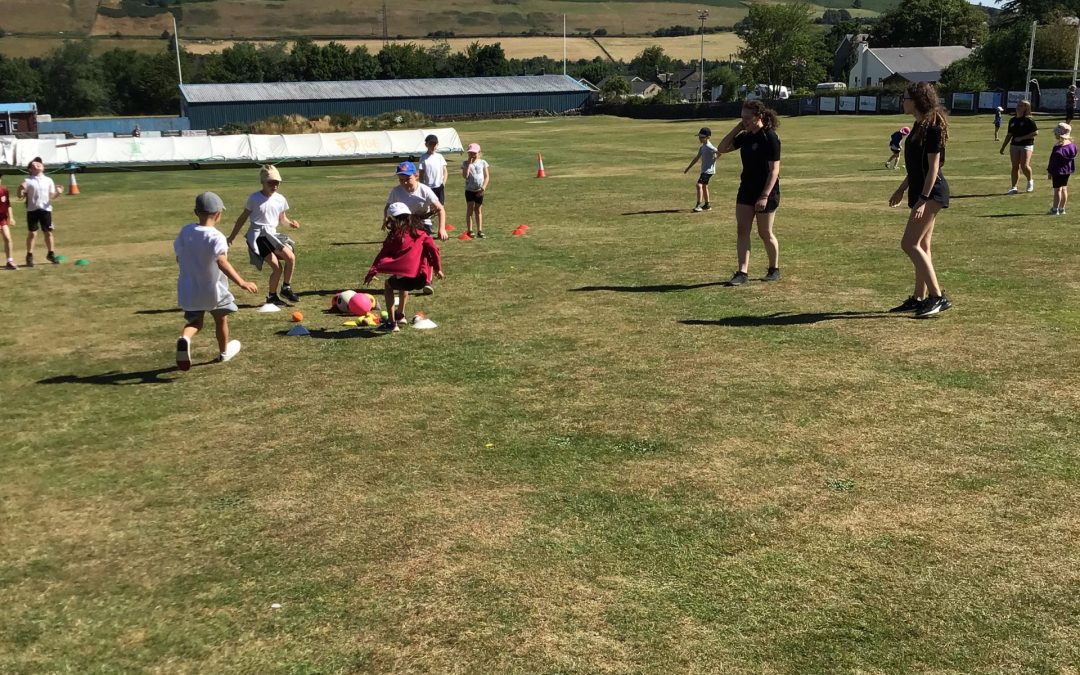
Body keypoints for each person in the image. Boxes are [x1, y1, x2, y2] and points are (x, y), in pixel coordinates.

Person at [887, 81, 952, 318]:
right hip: (921, 191)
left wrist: (923, 199)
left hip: (932, 193)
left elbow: (933, 167)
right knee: (922, 246)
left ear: (916, 101)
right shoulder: (919, 125)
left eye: (905, 98)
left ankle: (937, 297)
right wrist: (901, 189)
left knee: (909, 244)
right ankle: (918, 297)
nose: (902, 102)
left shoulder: (932, 126)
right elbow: (916, 167)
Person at [174, 192, 258, 370]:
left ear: (196, 212)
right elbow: (221, 261)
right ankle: (223, 353)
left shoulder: (186, 231)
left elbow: (179, 257)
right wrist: (242, 282)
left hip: (189, 289)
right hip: (213, 290)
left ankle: (185, 338)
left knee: (195, 323)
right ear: (218, 214)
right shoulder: (217, 236)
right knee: (221, 320)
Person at [716, 99, 782, 285]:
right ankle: (742, 272)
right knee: (742, 230)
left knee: (765, 232)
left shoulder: (769, 137)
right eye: (741, 117)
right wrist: (738, 128)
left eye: (747, 117)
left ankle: (774, 269)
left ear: (758, 116)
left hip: (766, 191)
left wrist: (764, 196)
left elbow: (774, 170)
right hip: (746, 189)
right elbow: (721, 148)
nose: (743, 120)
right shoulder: (745, 136)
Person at [227, 165, 301, 306]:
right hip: (258, 237)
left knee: (290, 257)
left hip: (272, 235)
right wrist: (232, 237)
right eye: (270, 183)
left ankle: (285, 288)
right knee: (277, 268)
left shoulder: (280, 199)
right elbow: (243, 218)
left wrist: (291, 224)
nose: (274, 186)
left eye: (277, 183)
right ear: (263, 182)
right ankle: (272, 296)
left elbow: (282, 219)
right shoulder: (254, 198)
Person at [363, 202, 443, 332]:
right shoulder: (421, 233)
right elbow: (434, 248)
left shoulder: (394, 237)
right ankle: (400, 315)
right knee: (402, 277)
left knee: (389, 284)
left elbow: (382, 254)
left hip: (406, 278)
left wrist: (372, 271)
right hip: (422, 279)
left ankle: (391, 323)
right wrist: (438, 268)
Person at [385, 161, 448, 241]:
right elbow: (387, 207)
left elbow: (440, 209)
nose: (405, 182)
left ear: (416, 176)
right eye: (401, 179)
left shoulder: (425, 190)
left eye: (408, 179)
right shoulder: (396, 191)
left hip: (423, 223)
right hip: (404, 224)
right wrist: (386, 221)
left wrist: (442, 229)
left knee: (421, 244)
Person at [17, 157, 62, 267]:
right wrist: (20, 189)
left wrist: (58, 193)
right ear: (30, 169)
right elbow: (20, 196)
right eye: (35, 164)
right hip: (32, 210)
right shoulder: (28, 181)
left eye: (39, 163)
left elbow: (51, 197)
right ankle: (29, 256)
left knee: (48, 232)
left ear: (43, 167)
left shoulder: (49, 180)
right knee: (32, 233)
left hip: (46, 210)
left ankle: (51, 254)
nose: (38, 164)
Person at [1001, 100, 1038, 194]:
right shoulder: (1012, 120)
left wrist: (1022, 138)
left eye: (1021, 106)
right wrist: (1003, 146)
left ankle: (1030, 181)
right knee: (1015, 166)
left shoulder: (1029, 120)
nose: (1018, 107)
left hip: (1026, 145)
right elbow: (1009, 134)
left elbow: (1035, 133)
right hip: (1014, 145)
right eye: (1018, 105)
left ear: (1026, 108)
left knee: (1024, 165)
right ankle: (1014, 187)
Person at [684, 126, 718, 211]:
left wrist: (715, 159)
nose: (700, 139)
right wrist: (688, 168)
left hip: (708, 171)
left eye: (702, 137)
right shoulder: (702, 147)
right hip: (705, 170)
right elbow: (696, 158)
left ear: (708, 137)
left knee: (699, 185)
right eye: (699, 137)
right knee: (704, 186)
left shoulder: (710, 147)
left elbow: (719, 152)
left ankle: (698, 205)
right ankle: (707, 205)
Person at [1046, 122, 1076, 215]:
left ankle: (1055, 209)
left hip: (1057, 171)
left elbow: (1053, 161)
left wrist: (1050, 171)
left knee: (1057, 190)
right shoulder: (1072, 146)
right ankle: (1062, 208)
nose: (1055, 134)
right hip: (1067, 170)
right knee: (1064, 188)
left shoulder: (1058, 147)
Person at [461, 143, 489, 238]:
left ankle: (479, 230)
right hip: (469, 190)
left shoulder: (483, 163)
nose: (472, 155)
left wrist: (483, 187)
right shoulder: (465, 163)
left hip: (479, 190)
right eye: (470, 153)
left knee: (478, 209)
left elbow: (486, 176)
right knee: (470, 208)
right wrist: (469, 164)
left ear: (479, 153)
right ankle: (470, 230)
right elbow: (465, 176)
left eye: (474, 153)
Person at [418, 134, 448, 207]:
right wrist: (422, 186)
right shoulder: (423, 157)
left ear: (437, 145)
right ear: (426, 145)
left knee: (440, 207)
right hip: (428, 187)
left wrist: (443, 183)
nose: (433, 146)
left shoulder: (439, 157)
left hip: (439, 186)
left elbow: (445, 171)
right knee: (429, 207)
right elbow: (421, 174)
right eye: (431, 144)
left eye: (435, 144)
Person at [0, 175, 16, 269]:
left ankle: (9, 261)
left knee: (8, 238)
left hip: (2, 219)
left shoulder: (4, 190)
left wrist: (11, 218)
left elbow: (8, 205)